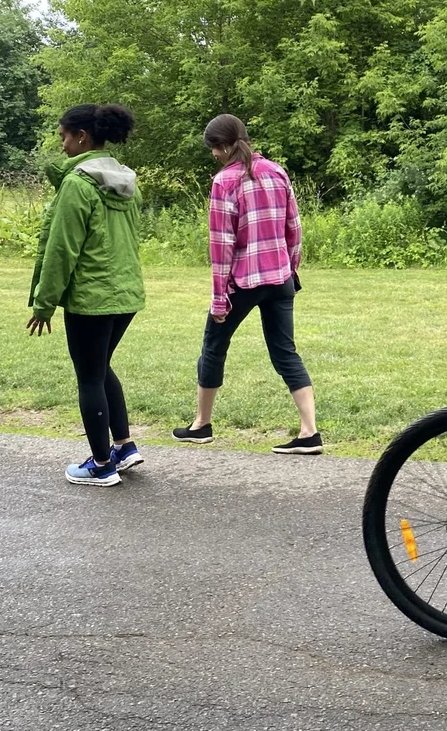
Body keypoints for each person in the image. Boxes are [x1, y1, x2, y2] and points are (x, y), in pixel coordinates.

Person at [173, 114, 322, 455]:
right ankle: (309, 432)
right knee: (286, 352)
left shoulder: (224, 182)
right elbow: (294, 229)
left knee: (213, 345)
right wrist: (291, 269)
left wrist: (219, 299)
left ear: (222, 146)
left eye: (213, 149)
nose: (213, 155)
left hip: (243, 281)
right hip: (280, 277)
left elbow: (221, 247)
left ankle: (201, 425)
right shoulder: (277, 171)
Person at [27, 103, 147, 487]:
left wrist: (44, 303)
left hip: (92, 298)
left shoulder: (77, 185)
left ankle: (100, 465)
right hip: (125, 294)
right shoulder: (127, 181)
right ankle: (124, 447)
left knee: (89, 377)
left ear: (81, 137)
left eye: (63, 136)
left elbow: (61, 250)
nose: (61, 145)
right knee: (100, 369)